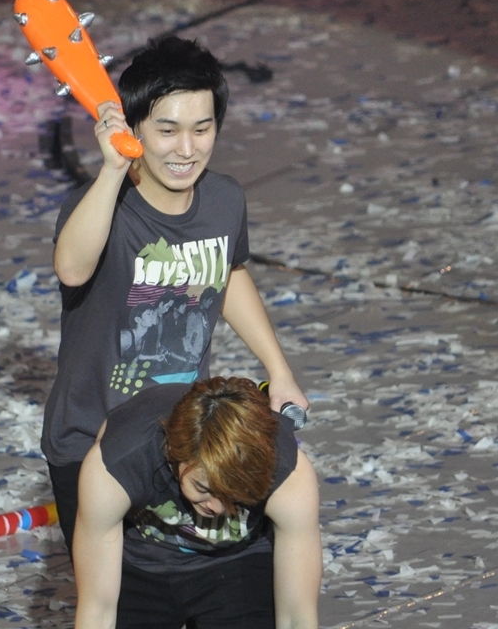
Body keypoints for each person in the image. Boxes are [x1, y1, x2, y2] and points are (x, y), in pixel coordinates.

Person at [43, 35, 309, 550]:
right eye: (167, 130)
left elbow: (227, 273)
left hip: (182, 441)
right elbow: (72, 270)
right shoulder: (101, 206)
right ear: (133, 129)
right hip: (90, 442)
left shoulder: (224, 199)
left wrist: (278, 370)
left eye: (202, 129)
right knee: (111, 593)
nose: (187, 149)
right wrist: (112, 170)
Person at [74, 377, 320, 629]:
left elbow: (296, 617)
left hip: (237, 561)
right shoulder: (117, 464)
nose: (217, 508)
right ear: (173, 452)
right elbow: (98, 610)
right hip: (142, 561)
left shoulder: (289, 473)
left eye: (235, 494)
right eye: (203, 489)